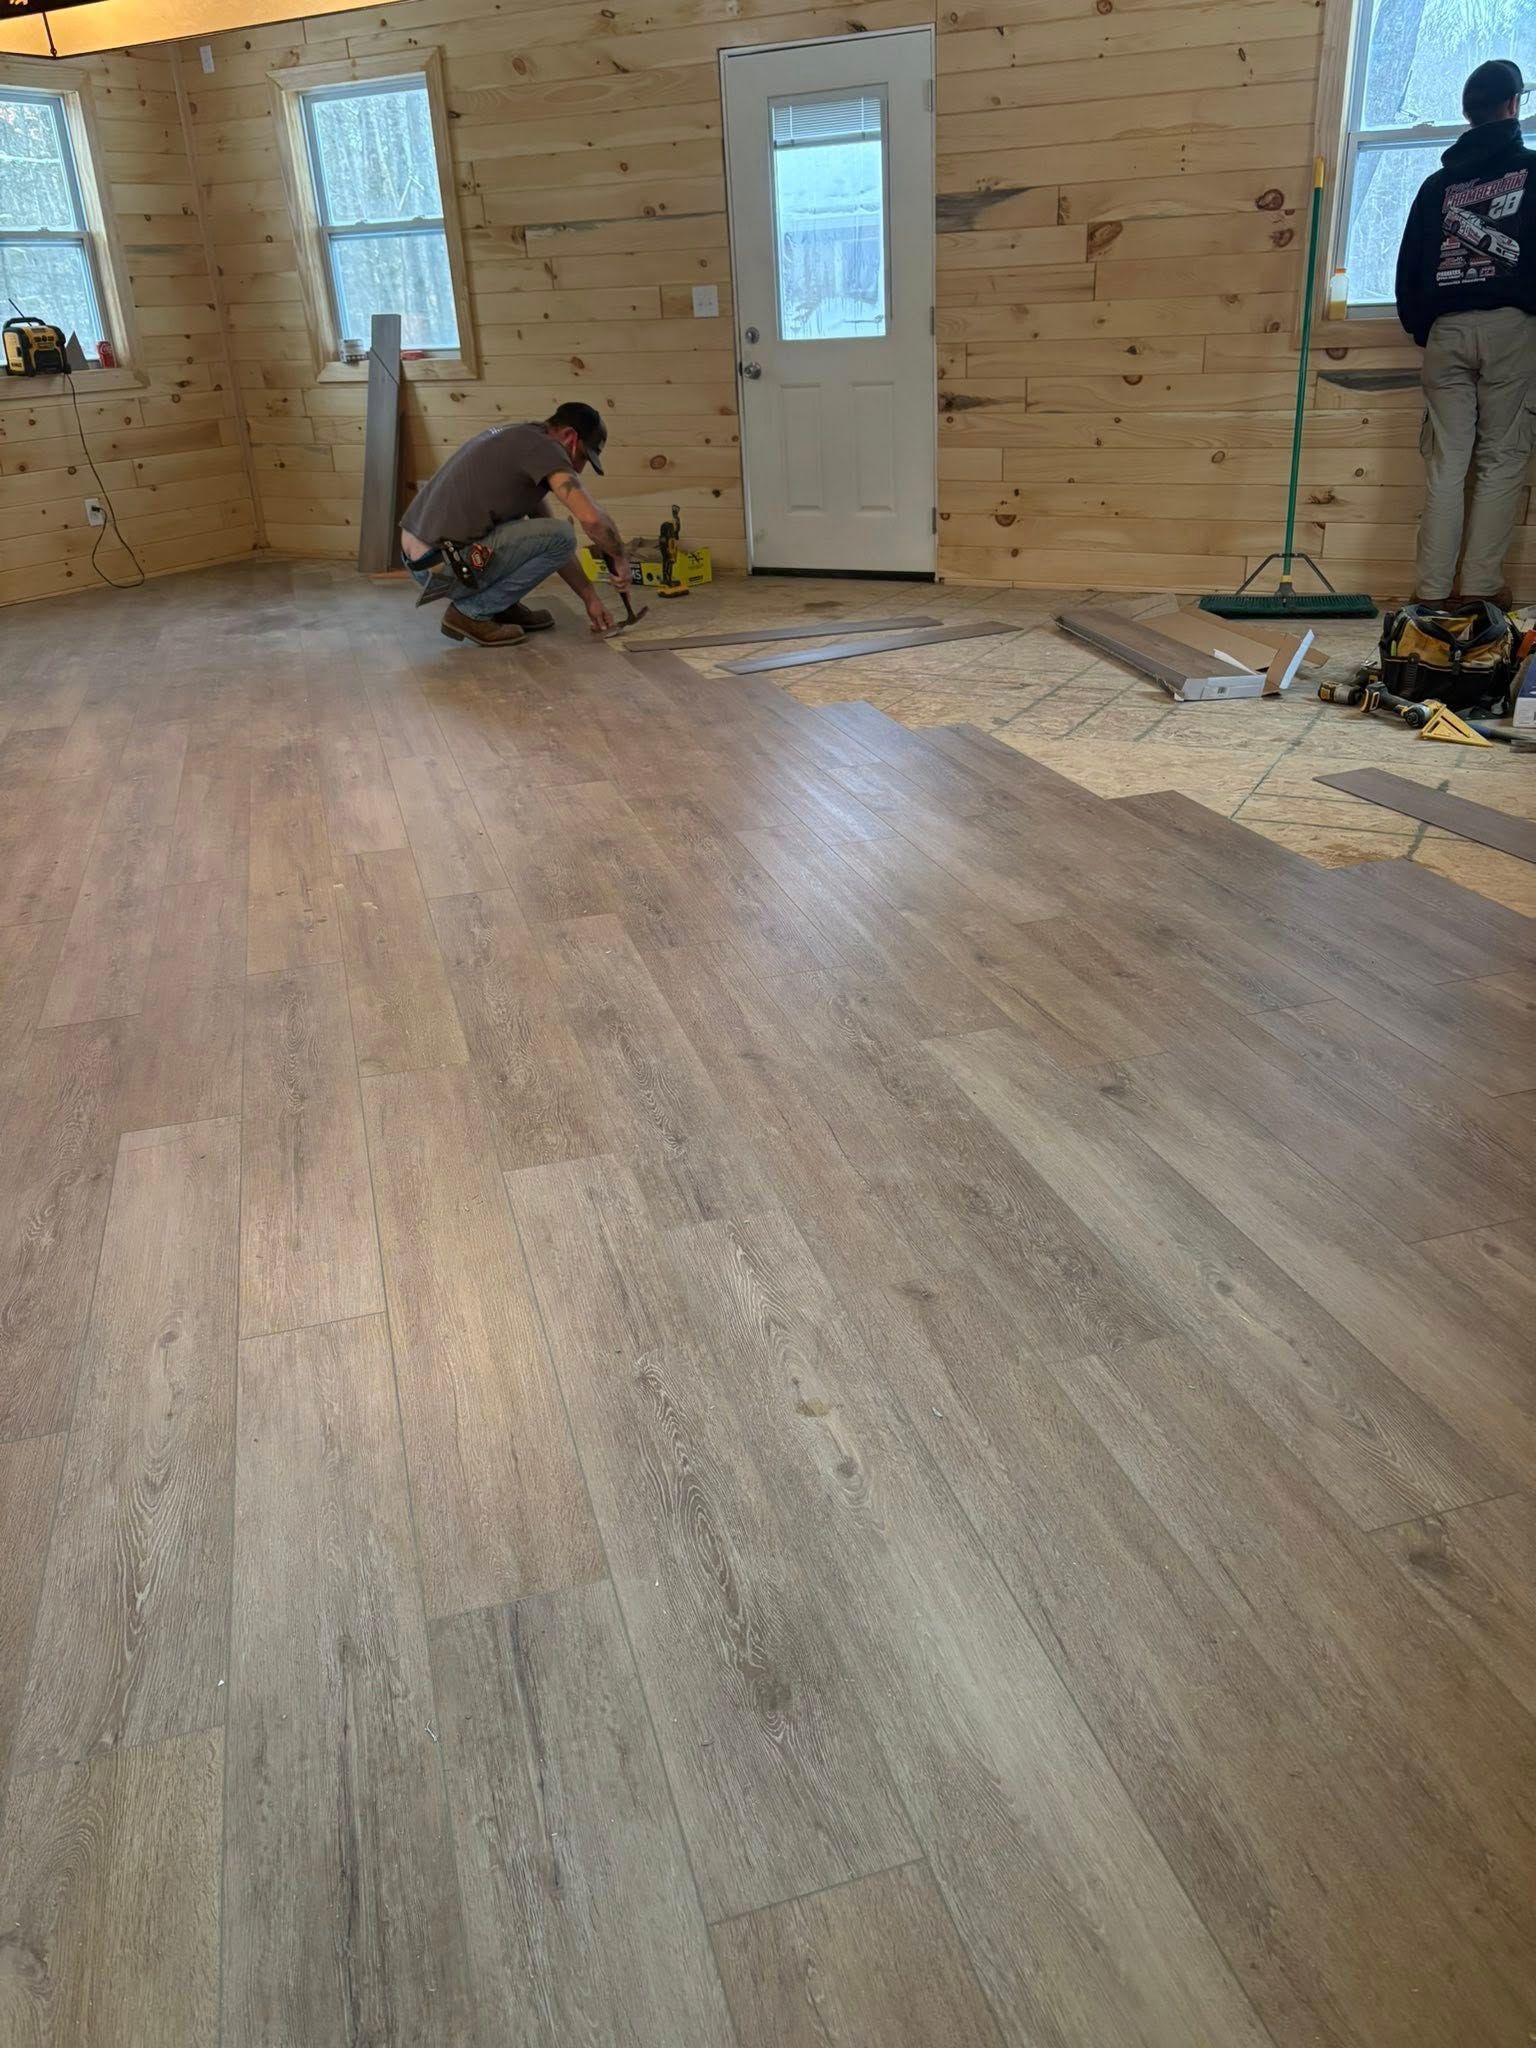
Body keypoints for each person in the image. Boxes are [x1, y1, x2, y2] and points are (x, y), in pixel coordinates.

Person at [1394, 58, 1536, 605]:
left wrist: (1422, 328)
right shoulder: (1533, 172)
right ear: (1514, 105)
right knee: (1502, 461)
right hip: (1513, 330)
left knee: (1446, 465)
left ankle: (1430, 593)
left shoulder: (1437, 186)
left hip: (1446, 332)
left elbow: (1408, 267)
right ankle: (1479, 593)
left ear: (1467, 113)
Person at [400, 400, 632, 646]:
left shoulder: (522, 440)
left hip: (428, 561)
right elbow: (592, 519)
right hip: (444, 564)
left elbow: (551, 543)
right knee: (563, 534)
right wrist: (619, 558)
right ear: (569, 436)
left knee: (553, 536)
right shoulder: (546, 449)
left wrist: (590, 599)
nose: (579, 468)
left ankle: (500, 606)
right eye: (584, 457)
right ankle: (473, 613)